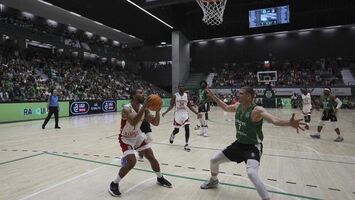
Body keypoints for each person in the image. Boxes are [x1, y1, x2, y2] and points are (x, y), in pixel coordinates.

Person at [200, 87, 305, 200]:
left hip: (252, 147)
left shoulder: (257, 110)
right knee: (214, 160)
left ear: (248, 96)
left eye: (241, 93)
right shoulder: (238, 106)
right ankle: (214, 181)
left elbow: (274, 120)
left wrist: (288, 123)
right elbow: (225, 107)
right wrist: (213, 96)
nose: (238, 95)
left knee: (251, 173)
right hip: (239, 144)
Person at [109, 88, 172, 197]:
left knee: (151, 157)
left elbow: (156, 123)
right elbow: (133, 122)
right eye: (140, 93)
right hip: (126, 138)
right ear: (134, 96)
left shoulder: (145, 110)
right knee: (131, 162)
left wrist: (157, 111)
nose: (144, 95)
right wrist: (144, 108)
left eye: (143, 92)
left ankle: (160, 177)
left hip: (137, 137)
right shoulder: (126, 109)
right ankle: (114, 183)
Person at [162, 84, 201, 152]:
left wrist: (197, 113)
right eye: (179, 86)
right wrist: (165, 112)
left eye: (182, 86)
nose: (181, 87)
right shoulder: (175, 95)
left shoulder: (187, 95)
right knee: (177, 130)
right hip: (177, 114)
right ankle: (173, 134)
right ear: (178, 88)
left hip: (185, 113)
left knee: (187, 127)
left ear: (184, 87)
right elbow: (171, 106)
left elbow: (190, 106)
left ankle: (186, 144)